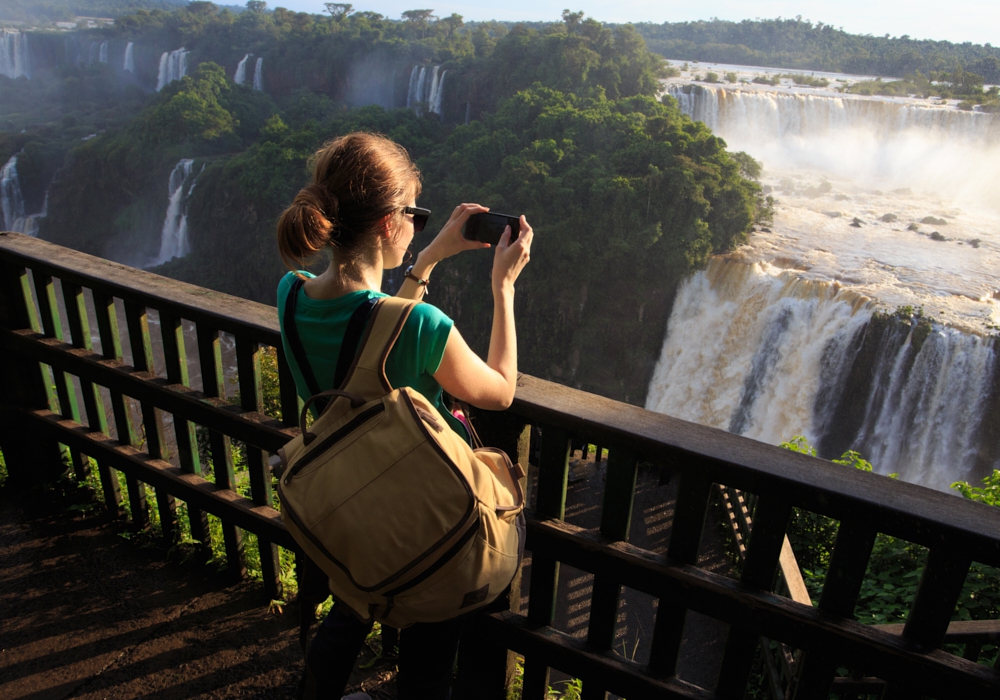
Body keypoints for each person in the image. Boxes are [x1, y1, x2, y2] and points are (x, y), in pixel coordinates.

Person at [275, 132, 533, 700]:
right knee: (429, 657)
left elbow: (374, 335)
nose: (421, 224)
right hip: (418, 522)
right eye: (416, 214)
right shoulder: (423, 327)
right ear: (390, 223)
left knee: (348, 612)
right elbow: (499, 393)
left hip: (344, 506)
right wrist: (503, 286)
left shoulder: (290, 295)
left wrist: (427, 259)